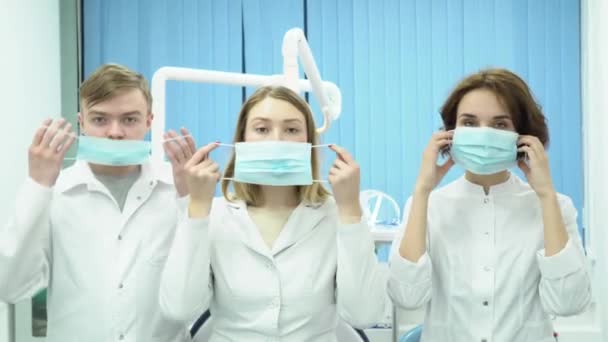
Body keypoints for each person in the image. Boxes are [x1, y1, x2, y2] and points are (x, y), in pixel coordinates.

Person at [159, 85, 386, 341]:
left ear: (309, 142)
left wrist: (350, 208)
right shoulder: (215, 214)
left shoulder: (336, 213)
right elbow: (178, 308)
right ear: (241, 140)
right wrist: (198, 207)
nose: (277, 140)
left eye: (291, 129)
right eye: (262, 129)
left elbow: (365, 314)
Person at [388, 68, 591, 342]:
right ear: (451, 132)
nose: (483, 134)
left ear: (523, 136)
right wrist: (422, 190)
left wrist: (546, 195)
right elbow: (407, 297)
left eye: (500, 124)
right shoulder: (428, 205)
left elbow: (569, 303)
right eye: (469, 123)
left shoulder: (554, 206)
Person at [0, 63, 195, 342]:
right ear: (82, 122)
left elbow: (200, 289)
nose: (115, 133)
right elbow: (10, 287)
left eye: (129, 120)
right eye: (100, 120)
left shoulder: (176, 189)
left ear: (149, 121)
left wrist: (191, 199)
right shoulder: (53, 193)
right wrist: (37, 185)